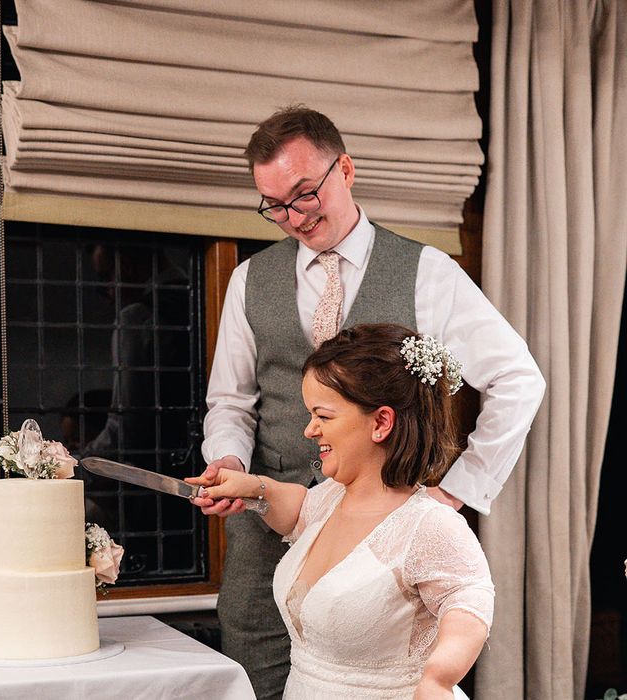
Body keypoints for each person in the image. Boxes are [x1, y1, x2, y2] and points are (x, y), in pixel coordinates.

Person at [201, 106, 545, 698]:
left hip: (385, 550)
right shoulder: (248, 280)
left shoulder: (428, 273)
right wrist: (230, 463)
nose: (293, 217)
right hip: (270, 540)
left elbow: (520, 380)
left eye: (304, 194)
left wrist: (456, 491)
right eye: (274, 205)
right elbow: (231, 401)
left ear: (347, 170)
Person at [191, 324, 495, 699]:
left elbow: (468, 605)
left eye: (323, 416)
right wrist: (251, 488)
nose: (309, 430)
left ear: (381, 423)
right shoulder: (330, 499)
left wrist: (439, 679)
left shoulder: (430, 526)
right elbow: (297, 506)